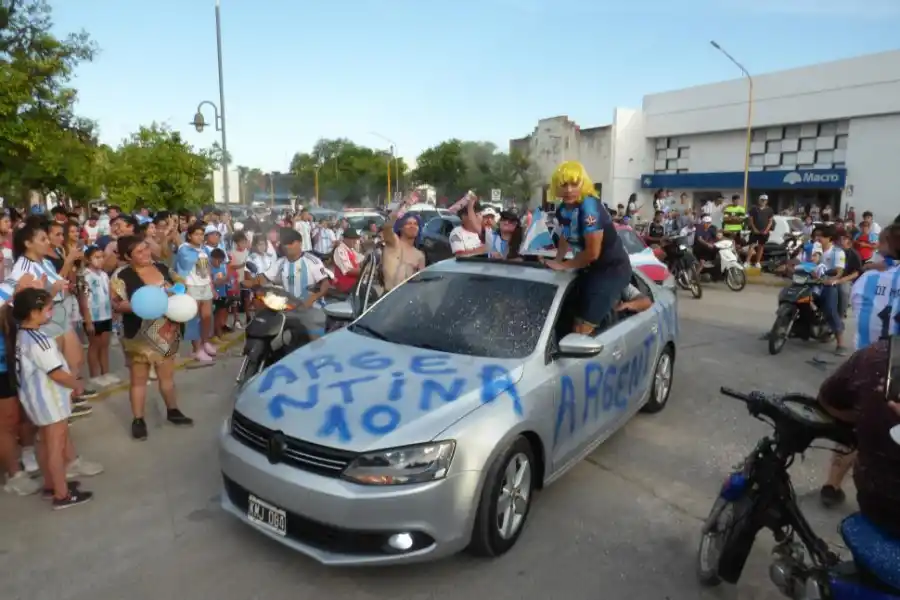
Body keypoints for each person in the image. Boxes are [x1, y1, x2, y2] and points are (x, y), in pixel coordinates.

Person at [10, 287, 103, 508]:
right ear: (34, 312)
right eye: (48, 309)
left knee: (44, 442)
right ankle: (61, 494)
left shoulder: (22, 335)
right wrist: (76, 384)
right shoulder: (39, 340)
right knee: (55, 445)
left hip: (34, 399)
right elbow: (56, 372)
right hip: (49, 400)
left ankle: (52, 485)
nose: (51, 313)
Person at [111, 236, 193, 440]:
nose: (146, 254)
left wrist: (177, 292)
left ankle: (173, 410)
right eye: (139, 252)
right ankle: (138, 420)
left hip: (166, 331)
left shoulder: (163, 268)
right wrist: (142, 305)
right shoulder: (121, 276)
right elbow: (117, 304)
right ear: (127, 256)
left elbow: (182, 286)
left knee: (167, 378)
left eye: (146, 249)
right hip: (138, 335)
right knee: (138, 380)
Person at [817, 337, 900, 535]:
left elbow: (828, 401)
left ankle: (832, 484)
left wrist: (865, 415)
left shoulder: (874, 356)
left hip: (876, 502)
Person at [544, 161, 632, 335]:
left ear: (583, 184)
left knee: (581, 330)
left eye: (574, 184)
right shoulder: (562, 210)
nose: (568, 190)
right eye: (563, 185)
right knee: (571, 323)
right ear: (556, 187)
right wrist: (557, 259)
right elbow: (565, 236)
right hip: (590, 269)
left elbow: (592, 253)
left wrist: (564, 265)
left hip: (612, 270)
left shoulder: (589, 206)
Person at [252, 228, 333, 339]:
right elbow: (265, 277)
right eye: (285, 243)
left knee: (315, 343)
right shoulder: (280, 262)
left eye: (290, 243)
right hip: (286, 310)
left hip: (311, 310)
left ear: (299, 243)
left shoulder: (313, 261)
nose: (287, 246)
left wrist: (312, 299)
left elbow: (325, 284)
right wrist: (255, 283)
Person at [174, 223, 216, 363]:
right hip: (191, 286)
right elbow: (186, 263)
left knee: (207, 316)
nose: (199, 237)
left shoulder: (204, 249)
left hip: (205, 285)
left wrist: (212, 284)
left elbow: (208, 267)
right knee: (194, 319)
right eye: (196, 234)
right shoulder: (184, 248)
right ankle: (196, 349)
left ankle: (205, 342)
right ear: (190, 235)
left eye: (201, 234)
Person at [79, 247, 115, 386]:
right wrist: (88, 321)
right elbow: (83, 300)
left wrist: (113, 310)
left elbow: (108, 294)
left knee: (104, 346)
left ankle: (106, 373)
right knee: (95, 346)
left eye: (101, 257)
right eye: (96, 257)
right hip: (93, 317)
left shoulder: (104, 275)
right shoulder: (84, 276)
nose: (100, 260)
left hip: (105, 314)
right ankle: (95, 376)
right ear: (88, 259)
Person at [382, 198, 426, 292]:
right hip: (388, 297)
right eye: (408, 223)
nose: (412, 226)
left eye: (415, 224)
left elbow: (421, 284)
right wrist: (400, 209)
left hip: (406, 300)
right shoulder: (394, 242)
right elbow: (386, 226)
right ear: (401, 227)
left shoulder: (419, 255)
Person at [746, 194, 774, 269]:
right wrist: (754, 229)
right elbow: (751, 220)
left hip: (764, 232)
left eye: (764, 200)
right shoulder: (754, 209)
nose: (763, 201)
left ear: (767, 201)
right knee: (751, 246)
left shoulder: (770, 210)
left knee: (761, 247)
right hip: (754, 231)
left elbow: (770, 221)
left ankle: (757, 262)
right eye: (762, 200)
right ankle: (747, 262)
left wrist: (766, 230)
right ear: (759, 200)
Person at [332, 229, 363, 293]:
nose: (355, 242)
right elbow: (348, 270)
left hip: (354, 283)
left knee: (371, 292)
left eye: (355, 239)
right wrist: (365, 271)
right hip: (346, 285)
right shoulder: (340, 250)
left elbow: (361, 259)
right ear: (346, 239)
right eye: (353, 239)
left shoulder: (350, 250)